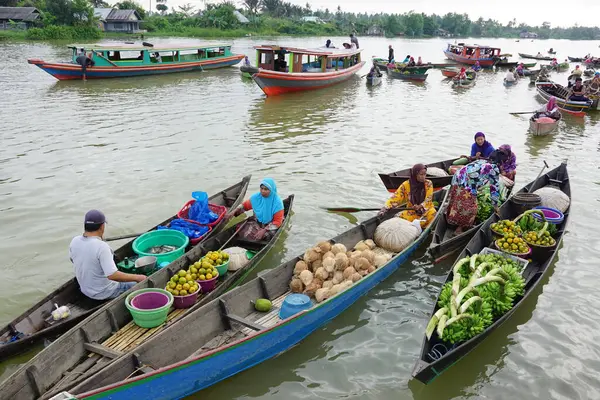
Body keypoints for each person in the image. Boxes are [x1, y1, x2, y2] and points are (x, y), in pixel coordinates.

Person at [69, 210, 145, 300]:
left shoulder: (75, 241)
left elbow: (73, 260)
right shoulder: (102, 246)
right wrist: (138, 277)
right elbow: (113, 275)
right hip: (103, 292)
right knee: (141, 284)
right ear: (102, 227)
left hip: (85, 290)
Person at [446, 151, 507, 233]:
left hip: (457, 178)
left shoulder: (482, 161)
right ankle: (459, 229)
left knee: (456, 202)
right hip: (467, 183)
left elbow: (475, 173)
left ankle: (451, 222)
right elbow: (494, 188)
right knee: (472, 208)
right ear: (501, 162)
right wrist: (495, 205)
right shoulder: (494, 168)